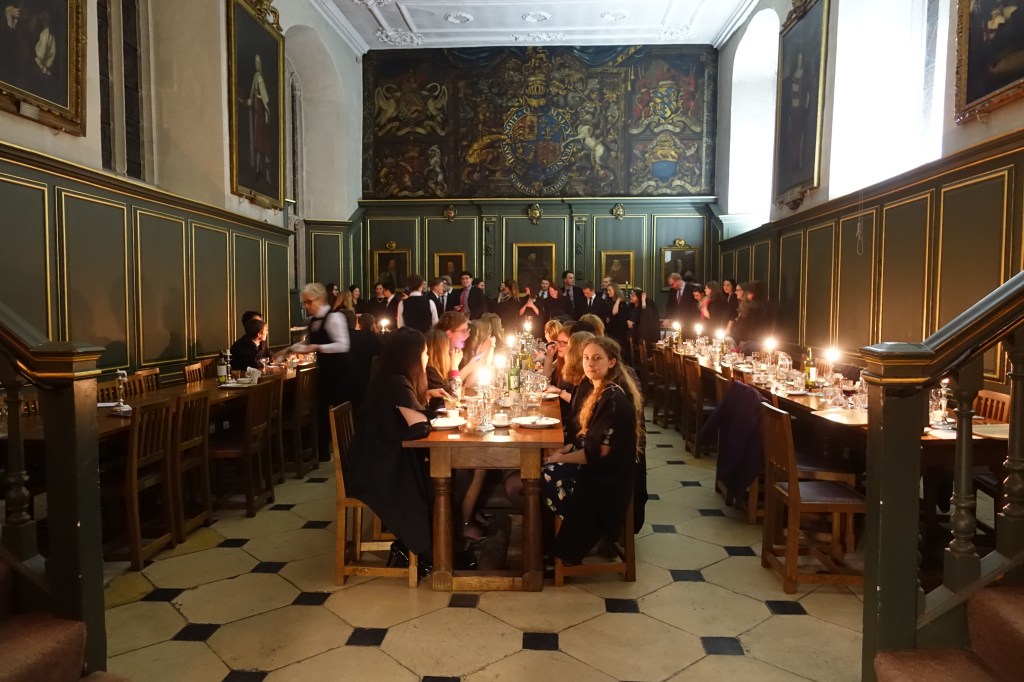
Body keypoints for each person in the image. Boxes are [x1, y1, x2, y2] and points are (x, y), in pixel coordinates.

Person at [345, 328, 451, 568]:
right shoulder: (397, 384)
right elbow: (419, 425)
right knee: (441, 479)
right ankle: (429, 551)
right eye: (424, 353)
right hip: (378, 471)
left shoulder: (392, 378)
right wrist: (430, 412)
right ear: (411, 356)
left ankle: (436, 543)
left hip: (374, 460)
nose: (427, 358)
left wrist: (426, 396)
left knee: (439, 475)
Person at [543, 336, 643, 565]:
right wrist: (565, 450)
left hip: (606, 482)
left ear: (612, 362)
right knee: (543, 470)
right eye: (586, 358)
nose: (590, 363)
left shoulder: (613, 401)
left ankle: (556, 551)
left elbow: (595, 454)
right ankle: (550, 544)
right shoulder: (599, 391)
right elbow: (586, 437)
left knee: (541, 479)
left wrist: (560, 458)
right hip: (598, 469)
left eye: (597, 358)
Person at [278, 283, 351, 459]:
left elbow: (343, 345)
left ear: (320, 299)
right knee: (320, 411)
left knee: (339, 412)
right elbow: (307, 342)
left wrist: (317, 347)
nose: (306, 306)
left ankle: (346, 452)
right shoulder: (312, 321)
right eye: (304, 303)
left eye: (308, 302)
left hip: (340, 372)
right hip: (324, 372)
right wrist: (288, 350)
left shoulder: (335, 317)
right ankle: (323, 453)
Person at [246, 54, 273, 185]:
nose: (257, 65)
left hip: (261, 111)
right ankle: (258, 169)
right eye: (255, 63)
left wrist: (267, 110)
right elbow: (253, 91)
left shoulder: (260, 78)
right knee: (258, 141)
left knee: (261, 141)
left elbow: (264, 97)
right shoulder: (256, 77)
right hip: (257, 111)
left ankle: (260, 168)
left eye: (258, 63)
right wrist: (251, 100)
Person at [604, 282, 630, 363]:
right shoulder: (608, 302)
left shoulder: (622, 303)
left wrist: (618, 300)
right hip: (610, 330)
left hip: (619, 331)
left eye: (610, 290)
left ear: (615, 290)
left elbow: (615, 312)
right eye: (607, 290)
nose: (608, 292)